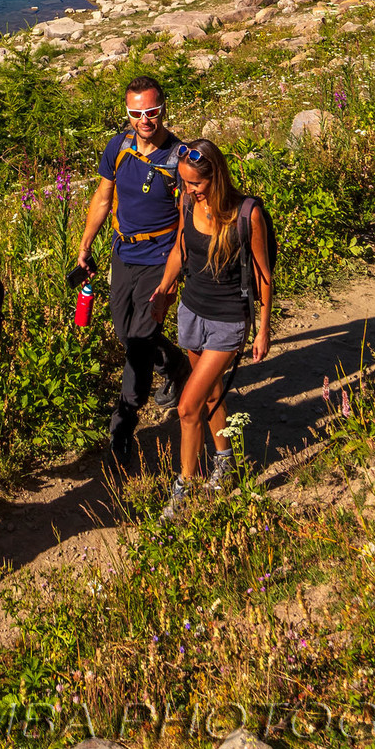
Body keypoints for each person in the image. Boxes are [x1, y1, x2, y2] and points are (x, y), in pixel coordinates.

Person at [149, 139, 271, 519]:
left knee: (188, 407)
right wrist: (166, 286)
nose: (189, 190)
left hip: (228, 318)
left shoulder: (245, 215)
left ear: (215, 177)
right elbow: (181, 250)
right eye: (184, 183)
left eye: (196, 184)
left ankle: (185, 487)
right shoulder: (187, 203)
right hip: (192, 310)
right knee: (213, 389)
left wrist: (263, 328)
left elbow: (263, 276)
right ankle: (225, 459)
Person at [76, 74, 189, 469]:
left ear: (164, 109)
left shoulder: (180, 159)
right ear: (128, 113)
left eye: (152, 111)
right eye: (137, 113)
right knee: (125, 331)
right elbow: (103, 197)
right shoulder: (118, 146)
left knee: (139, 339)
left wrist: (174, 276)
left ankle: (123, 423)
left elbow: (188, 222)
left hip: (160, 259)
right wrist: (85, 245)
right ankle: (176, 366)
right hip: (123, 253)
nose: (145, 120)